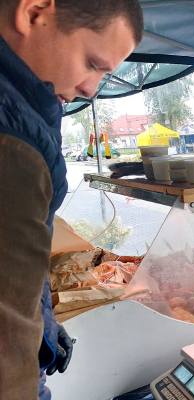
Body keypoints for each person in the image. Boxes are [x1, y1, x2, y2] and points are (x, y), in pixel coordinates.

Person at [0, 1, 143, 399]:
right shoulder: (13, 137)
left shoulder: (25, 110)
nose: (90, 88)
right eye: (93, 63)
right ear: (34, 13)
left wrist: (43, 321)